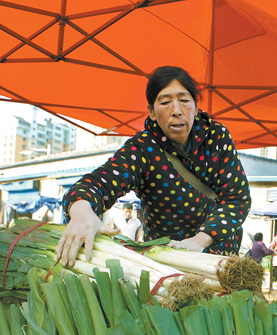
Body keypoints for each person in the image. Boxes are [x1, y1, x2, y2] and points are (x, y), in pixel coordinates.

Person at [55, 66, 251, 266]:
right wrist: (81, 212)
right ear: (152, 112)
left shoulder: (217, 136)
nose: (176, 111)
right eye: (165, 102)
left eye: (184, 100)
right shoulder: (142, 149)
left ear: (196, 105)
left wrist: (200, 240)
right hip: (167, 261)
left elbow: (237, 198)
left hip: (220, 256)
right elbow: (98, 183)